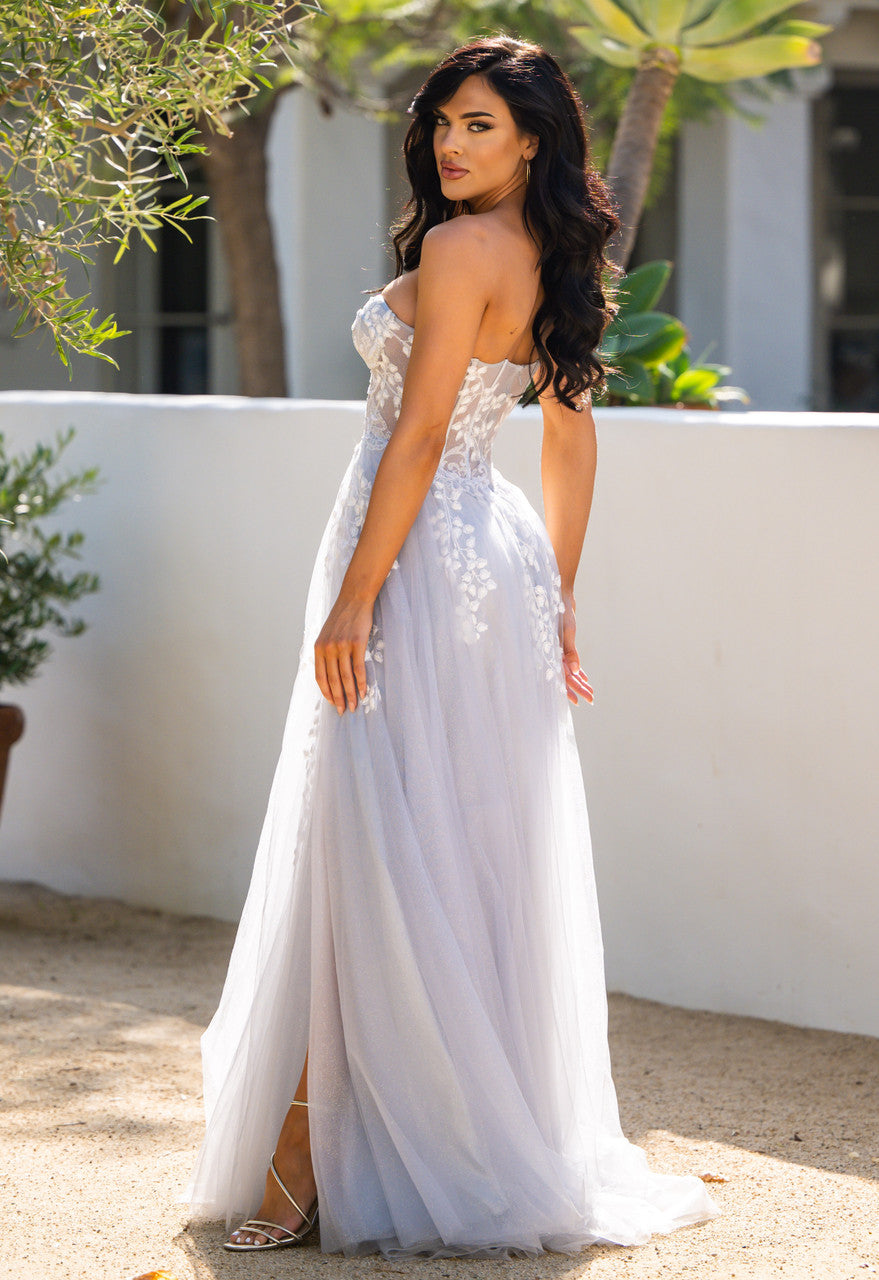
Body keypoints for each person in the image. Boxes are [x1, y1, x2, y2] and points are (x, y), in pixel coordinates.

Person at [184, 35, 719, 1257]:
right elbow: (571, 445)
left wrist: (357, 597)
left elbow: (419, 435)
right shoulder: (561, 257)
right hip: (500, 562)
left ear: (532, 138)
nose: (451, 142)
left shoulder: (457, 246)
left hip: (416, 555)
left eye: (479, 124)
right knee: (460, 847)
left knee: (368, 846)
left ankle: (306, 1158)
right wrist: (560, 596)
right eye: (442, 123)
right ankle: (430, 1136)